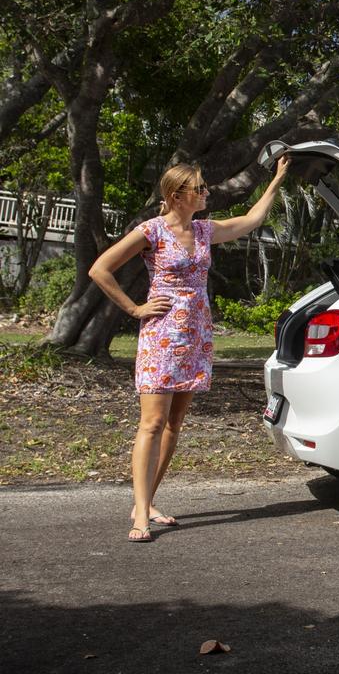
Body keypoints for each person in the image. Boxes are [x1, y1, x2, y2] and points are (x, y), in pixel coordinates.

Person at [90, 156, 290, 542]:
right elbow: (100, 269)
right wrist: (134, 308)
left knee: (174, 424)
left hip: (196, 335)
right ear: (176, 195)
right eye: (199, 188)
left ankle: (145, 502)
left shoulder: (202, 231)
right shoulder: (152, 231)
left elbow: (250, 220)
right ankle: (140, 518)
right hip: (163, 335)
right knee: (150, 423)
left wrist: (277, 179)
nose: (206, 193)